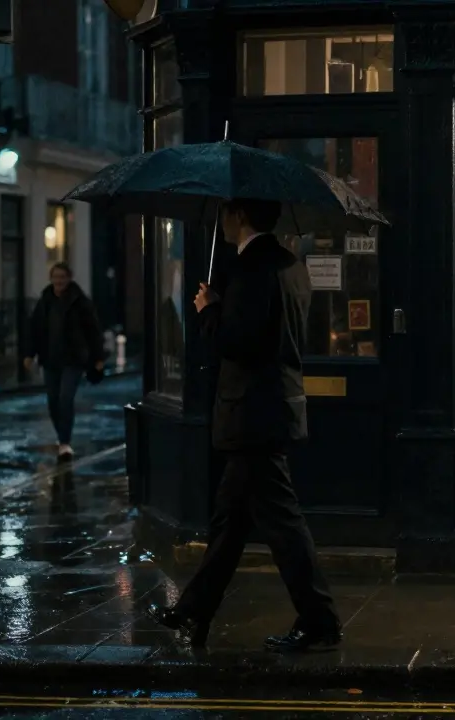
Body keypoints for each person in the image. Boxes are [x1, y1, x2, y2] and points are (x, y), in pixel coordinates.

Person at [146, 198, 341, 652]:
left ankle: (320, 621)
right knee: (229, 523)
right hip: (271, 407)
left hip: (253, 412)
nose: (221, 221)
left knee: (284, 526)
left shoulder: (252, 268)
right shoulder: (290, 263)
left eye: (225, 213)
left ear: (239, 216)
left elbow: (241, 343)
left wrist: (208, 310)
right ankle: (195, 612)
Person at [24, 262, 104, 461]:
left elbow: (93, 331)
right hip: (50, 360)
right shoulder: (45, 301)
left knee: (65, 398)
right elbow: (35, 330)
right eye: (55, 277)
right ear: (51, 279)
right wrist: (29, 354)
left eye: (62, 277)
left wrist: (98, 358)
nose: (58, 281)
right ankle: (62, 437)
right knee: (53, 401)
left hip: (73, 360)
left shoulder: (80, 302)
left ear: (69, 278)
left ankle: (65, 442)